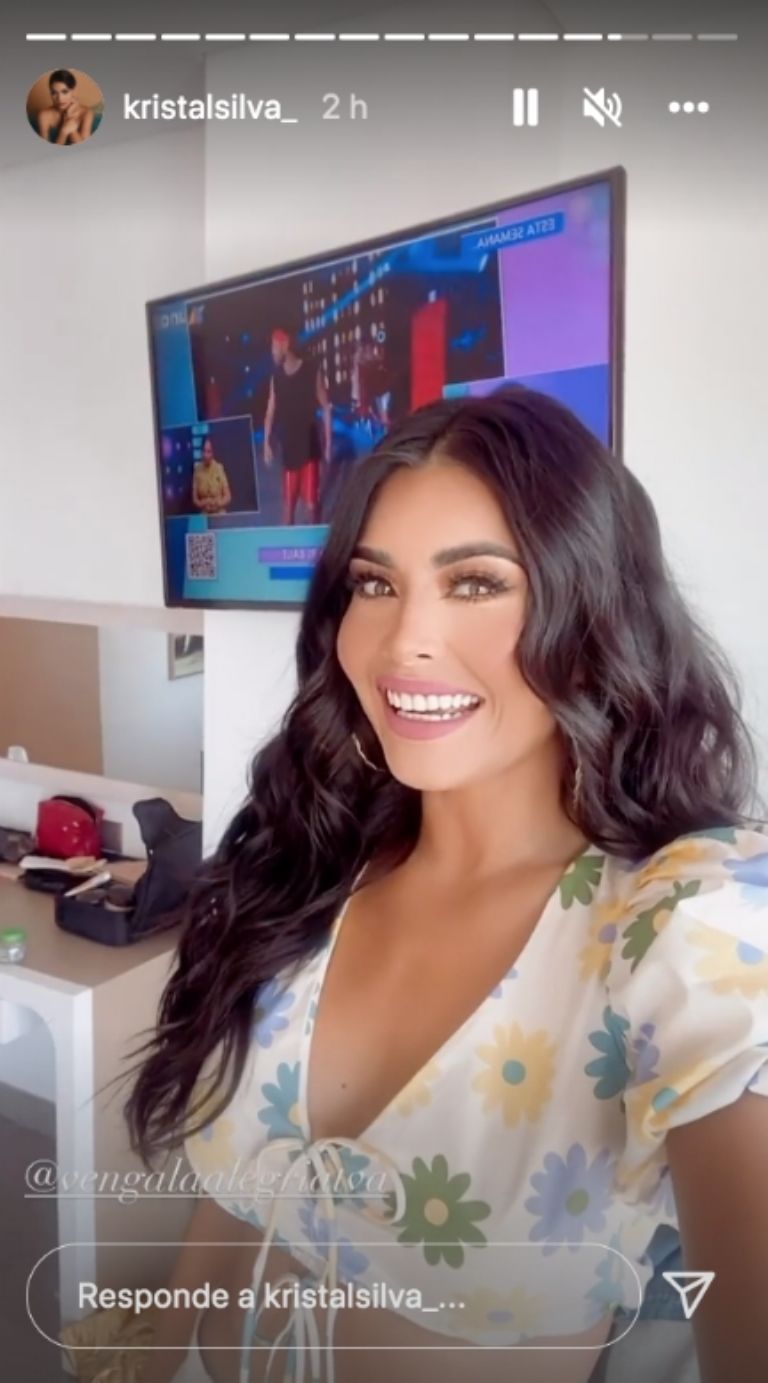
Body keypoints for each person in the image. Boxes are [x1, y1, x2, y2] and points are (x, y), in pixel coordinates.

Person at [126, 386, 768, 1383]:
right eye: (373, 583)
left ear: (595, 607)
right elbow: (237, 1189)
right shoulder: (310, 865)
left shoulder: (683, 923)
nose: (402, 641)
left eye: (475, 583)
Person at [263, 329, 331, 526]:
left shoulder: (311, 370)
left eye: (274, 347)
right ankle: (288, 543)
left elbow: (326, 407)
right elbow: (270, 411)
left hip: (310, 447)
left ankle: (315, 540)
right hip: (290, 449)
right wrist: (266, 443)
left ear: (285, 345)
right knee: (288, 507)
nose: (272, 352)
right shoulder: (276, 377)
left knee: (311, 505)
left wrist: (328, 445)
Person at [36, 69, 94, 146]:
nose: (60, 98)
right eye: (54, 93)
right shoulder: (44, 115)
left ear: (74, 91)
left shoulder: (86, 113)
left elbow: (86, 149)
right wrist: (63, 132)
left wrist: (71, 126)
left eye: (64, 92)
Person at [191, 437, 232, 516]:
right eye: (204, 451)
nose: (205, 455)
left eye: (208, 451)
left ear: (213, 453)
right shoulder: (197, 470)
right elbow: (195, 499)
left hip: (219, 513)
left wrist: (218, 503)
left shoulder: (219, 468)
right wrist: (202, 503)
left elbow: (228, 496)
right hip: (204, 514)